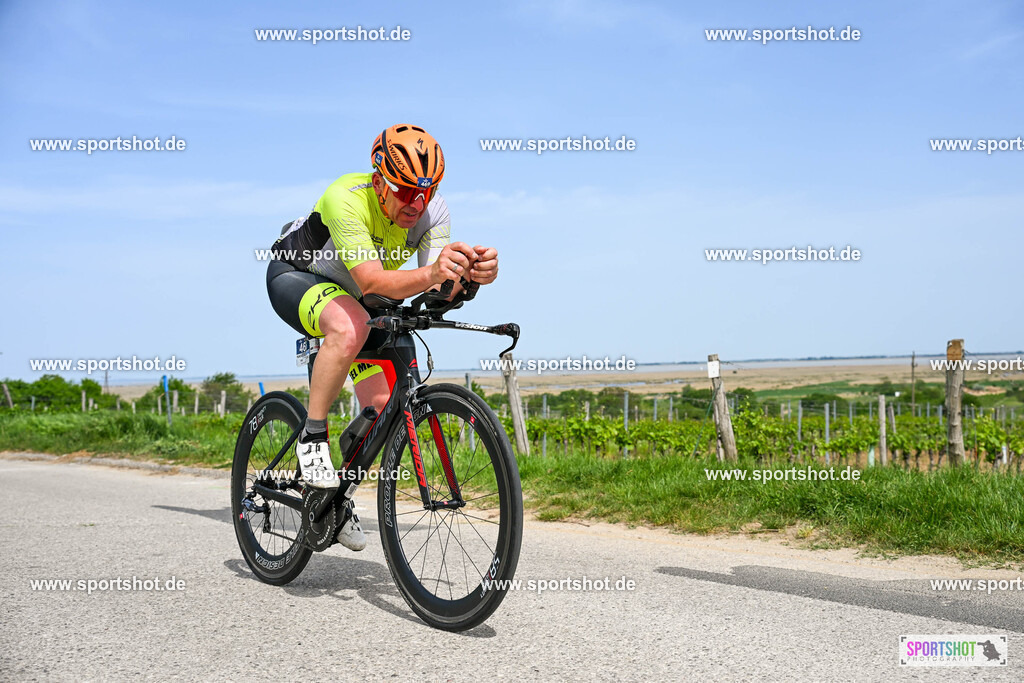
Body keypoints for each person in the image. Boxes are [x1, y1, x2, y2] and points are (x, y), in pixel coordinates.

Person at [265, 124, 499, 549]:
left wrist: (469, 279)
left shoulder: (432, 211)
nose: (417, 203)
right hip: (298, 275)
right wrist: (433, 272)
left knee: (383, 406)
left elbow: (434, 288)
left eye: (426, 191)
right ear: (379, 182)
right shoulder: (346, 196)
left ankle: (336, 498)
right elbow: (373, 281)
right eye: (406, 190)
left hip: (361, 296)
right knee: (349, 325)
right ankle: (312, 438)